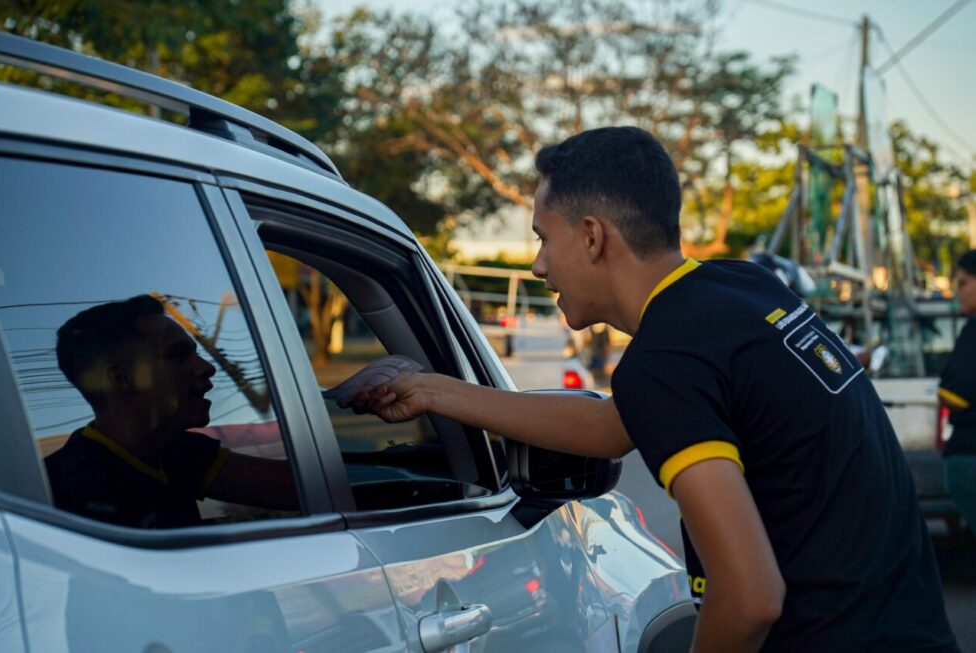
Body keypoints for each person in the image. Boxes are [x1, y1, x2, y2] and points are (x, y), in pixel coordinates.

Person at [348, 127, 958, 652]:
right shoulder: (744, 290)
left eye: (541, 236)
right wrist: (432, 392)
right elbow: (610, 427)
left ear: (592, 236)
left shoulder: (666, 358)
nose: (537, 265)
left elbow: (749, 598)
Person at [46, 294, 298, 529]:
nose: (206, 368)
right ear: (123, 379)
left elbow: (297, 486)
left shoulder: (178, 452)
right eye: (178, 356)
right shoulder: (66, 490)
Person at [939, 249, 976, 537]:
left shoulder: (973, 330)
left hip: (968, 453)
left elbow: (953, 394)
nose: (956, 292)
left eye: (963, 283)